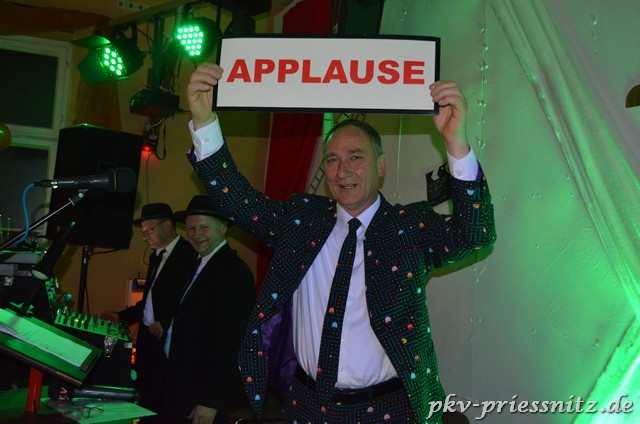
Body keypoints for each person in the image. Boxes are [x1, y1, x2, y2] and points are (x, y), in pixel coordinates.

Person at [185, 63, 496, 423]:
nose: (342, 170)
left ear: (381, 165)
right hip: (306, 406)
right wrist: (204, 120)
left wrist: (455, 141)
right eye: (332, 159)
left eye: (356, 157)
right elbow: (237, 200)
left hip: (391, 410)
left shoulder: (408, 228)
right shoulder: (303, 221)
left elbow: (475, 234)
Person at [161, 195, 256, 424]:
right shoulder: (198, 264)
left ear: (223, 228)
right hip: (181, 384)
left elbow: (227, 343)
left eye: (204, 227)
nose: (196, 235)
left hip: (203, 394)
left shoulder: (234, 272)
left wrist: (209, 400)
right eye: (191, 229)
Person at [102, 203, 197, 414]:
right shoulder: (156, 256)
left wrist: (166, 321)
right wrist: (121, 316)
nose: (145, 237)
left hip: (166, 340)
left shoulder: (188, 254)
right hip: (148, 339)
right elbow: (149, 300)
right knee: (144, 396)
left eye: (149, 230)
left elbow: (186, 298)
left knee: (160, 402)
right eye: (143, 232)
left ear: (168, 225)